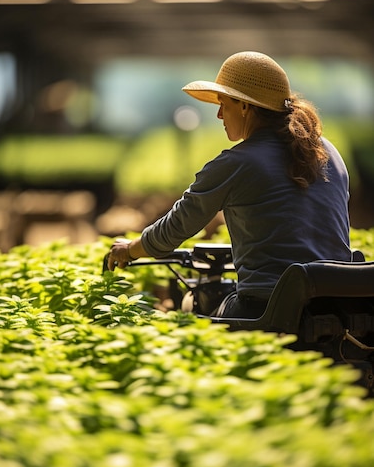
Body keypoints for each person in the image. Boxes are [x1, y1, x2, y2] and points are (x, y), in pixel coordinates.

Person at [107, 51, 351, 318]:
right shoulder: (327, 152)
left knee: (193, 316)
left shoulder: (238, 163)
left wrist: (130, 250)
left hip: (270, 308)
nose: (220, 115)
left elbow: (177, 225)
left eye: (223, 104)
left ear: (245, 106)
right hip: (339, 305)